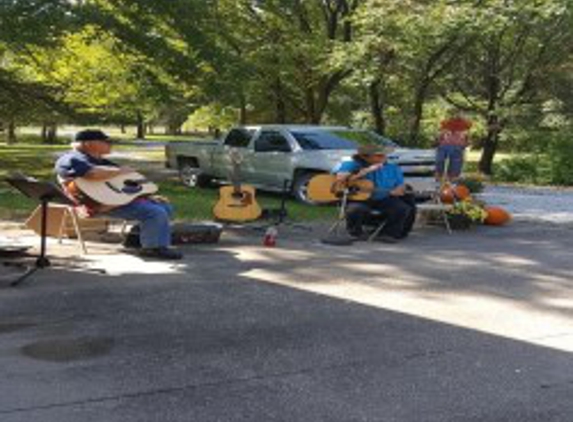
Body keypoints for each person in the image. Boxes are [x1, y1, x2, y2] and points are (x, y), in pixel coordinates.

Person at [54, 129, 182, 260]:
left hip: (113, 201)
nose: (110, 144)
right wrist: (120, 171)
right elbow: (92, 174)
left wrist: (144, 195)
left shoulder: (101, 161)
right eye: (105, 142)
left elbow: (122, 183)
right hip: (94, 204)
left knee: (164, 206)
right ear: (88, 143)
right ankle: (153, 248)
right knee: (154, 212)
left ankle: (136, 238)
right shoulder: (70, 158)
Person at [333, 144, 416, 243]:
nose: (384, 158)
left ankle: (388, 234)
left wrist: (398, 190)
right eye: (379, 156)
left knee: (401, 208)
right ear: (366, 157)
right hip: (359, 198)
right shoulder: (352, 164)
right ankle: (355, 233)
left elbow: (401, 184)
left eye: (384, 155)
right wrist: (366, 171)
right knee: (355, 209)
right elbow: (340, 178)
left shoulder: (393, 168)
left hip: (384, 198)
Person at [435, 109, 472, 182]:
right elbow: (441, 132)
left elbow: (467, 134)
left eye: (459, 114)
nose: (456, 115)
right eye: (454, 114)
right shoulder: (445, 123)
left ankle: (453, 177)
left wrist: (467, 142)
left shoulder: (466, 124)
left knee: (456, 163)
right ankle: (439, 175)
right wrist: (438, 140)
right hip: (444, 145)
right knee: (440, 160)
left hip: (458, 146)